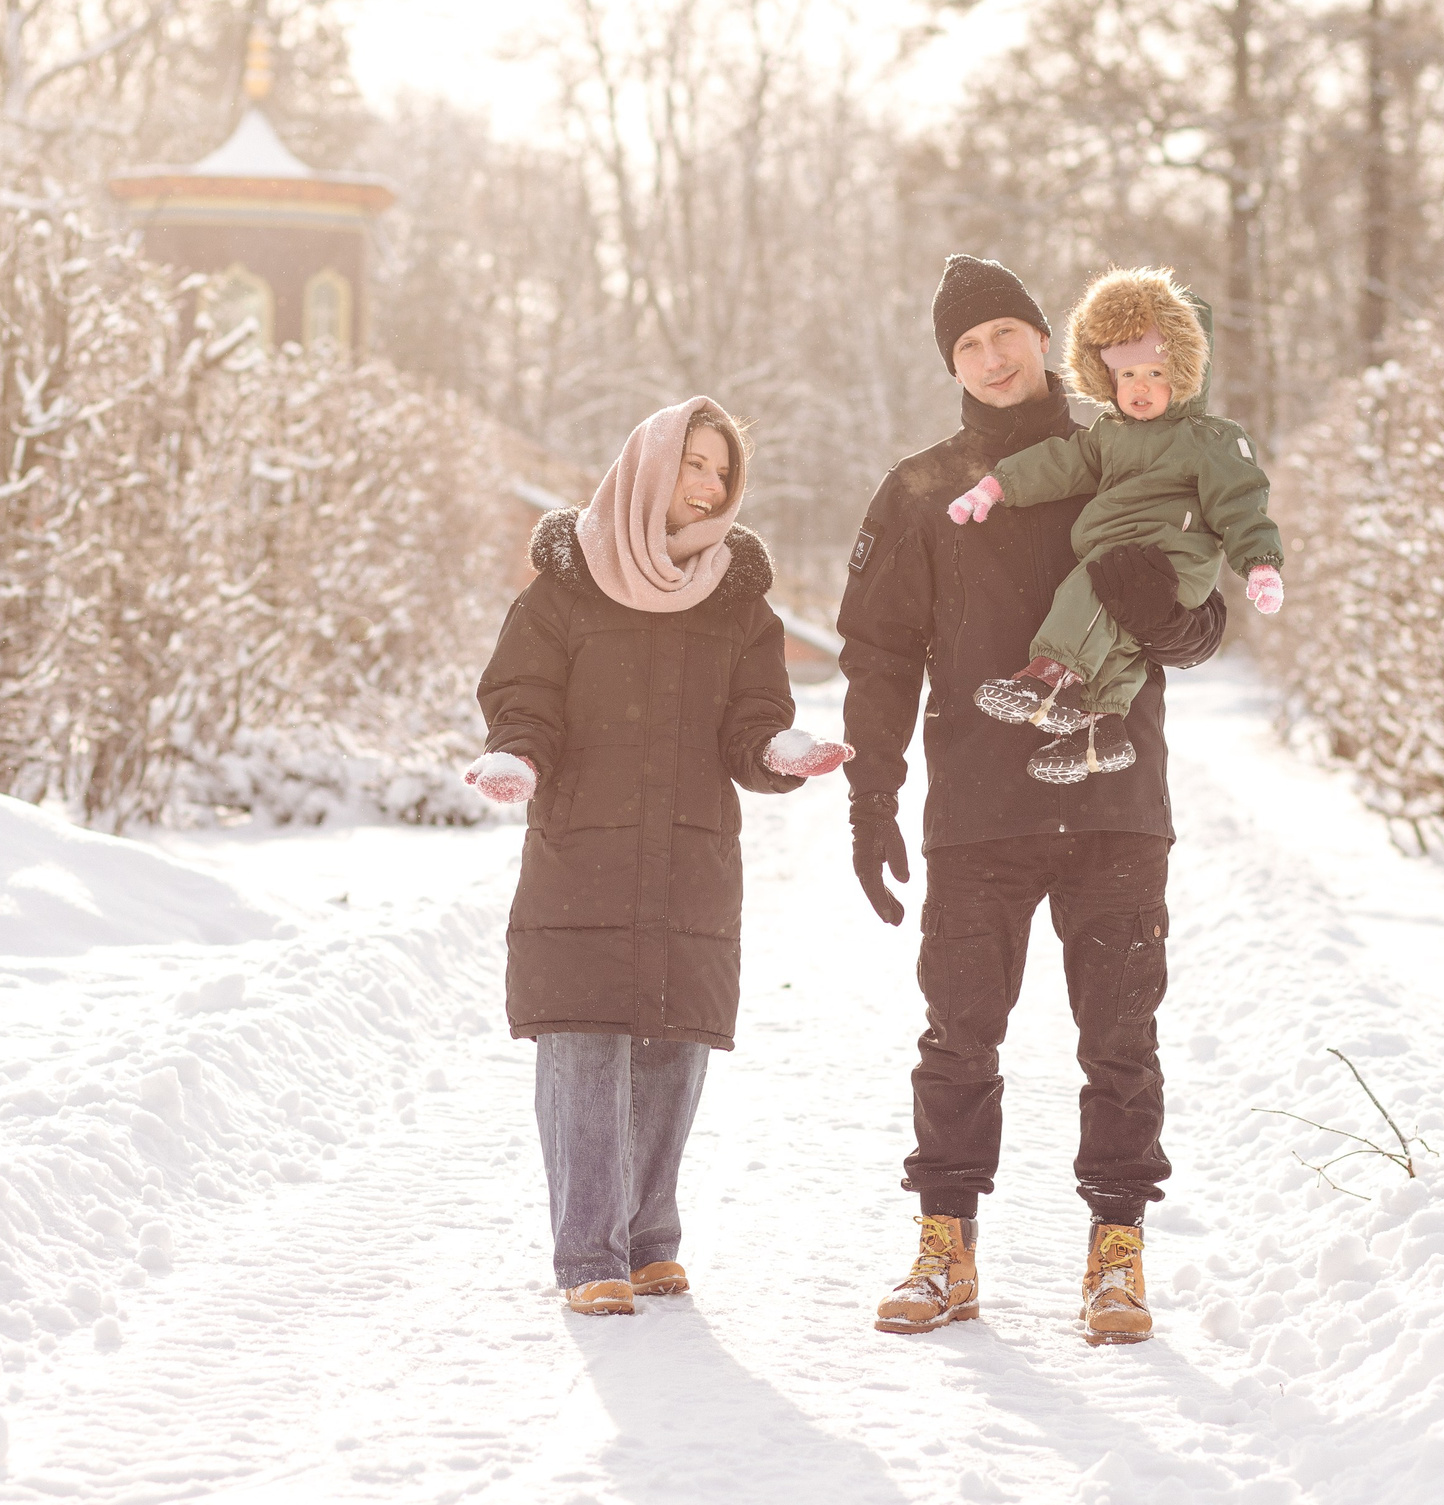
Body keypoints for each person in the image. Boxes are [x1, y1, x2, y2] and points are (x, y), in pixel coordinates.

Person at [837, 255, 1227, 1346]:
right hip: (978, 807)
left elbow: (1201, 615)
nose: (994, 355)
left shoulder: (1133, 453)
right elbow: (876, 653)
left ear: (1045, 338)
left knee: (1120, 1036)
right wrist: (873, 796)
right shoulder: (922, 488)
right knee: (959, 1034)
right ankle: (945, 1247)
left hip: (1114, 796)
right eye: (969, 343)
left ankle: (1115, 1255)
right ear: (950, 363)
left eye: (1008, 331)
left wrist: (1170, 619)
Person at [466, 397, 851, 1316]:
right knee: (586, 1042)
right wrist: (516, 756)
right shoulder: (564, 588)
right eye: (695, 462)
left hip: (689, 854)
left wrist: (778, 752)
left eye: (723, 470)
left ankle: (648, 1241)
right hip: (583, 852)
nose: (711, 483)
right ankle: (589, 1251)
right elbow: (524, 698)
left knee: (676, 1045)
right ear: (648, 465)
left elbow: (749, 722)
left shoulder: (736, 601)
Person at [948, 267, 1284, 783]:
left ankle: (1050, 676)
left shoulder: (1209, 438)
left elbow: (1241, 501)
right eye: (1127, 375)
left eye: (1155, 373)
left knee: (1090, 586)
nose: (1140, 388)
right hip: (1126, 553)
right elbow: (1060, 462)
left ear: (1187, 372)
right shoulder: (1109, 434)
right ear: (1107, 378)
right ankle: (1101, 730)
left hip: (1173, 559)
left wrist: (1259, 564)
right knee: (1120, 638)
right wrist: (998, 486)